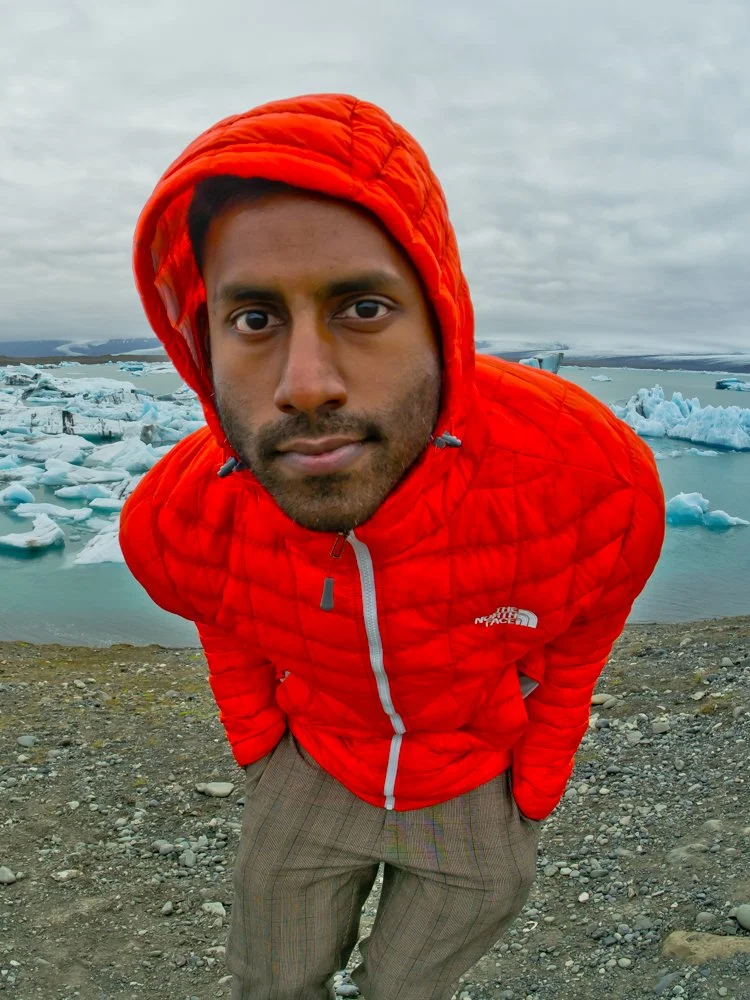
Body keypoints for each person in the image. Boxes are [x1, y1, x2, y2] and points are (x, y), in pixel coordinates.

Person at [119, 93, 665, 1000]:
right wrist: (259, 747)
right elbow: (219, 612)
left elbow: (586, 620)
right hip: (316, 768)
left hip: (474, 784)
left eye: (363, 307)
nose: (305, 385)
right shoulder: (179, 517)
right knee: (272, 978)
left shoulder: (587, 475)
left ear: (441, 319)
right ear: (198, 343)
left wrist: (536, 782)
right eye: (253, 320)